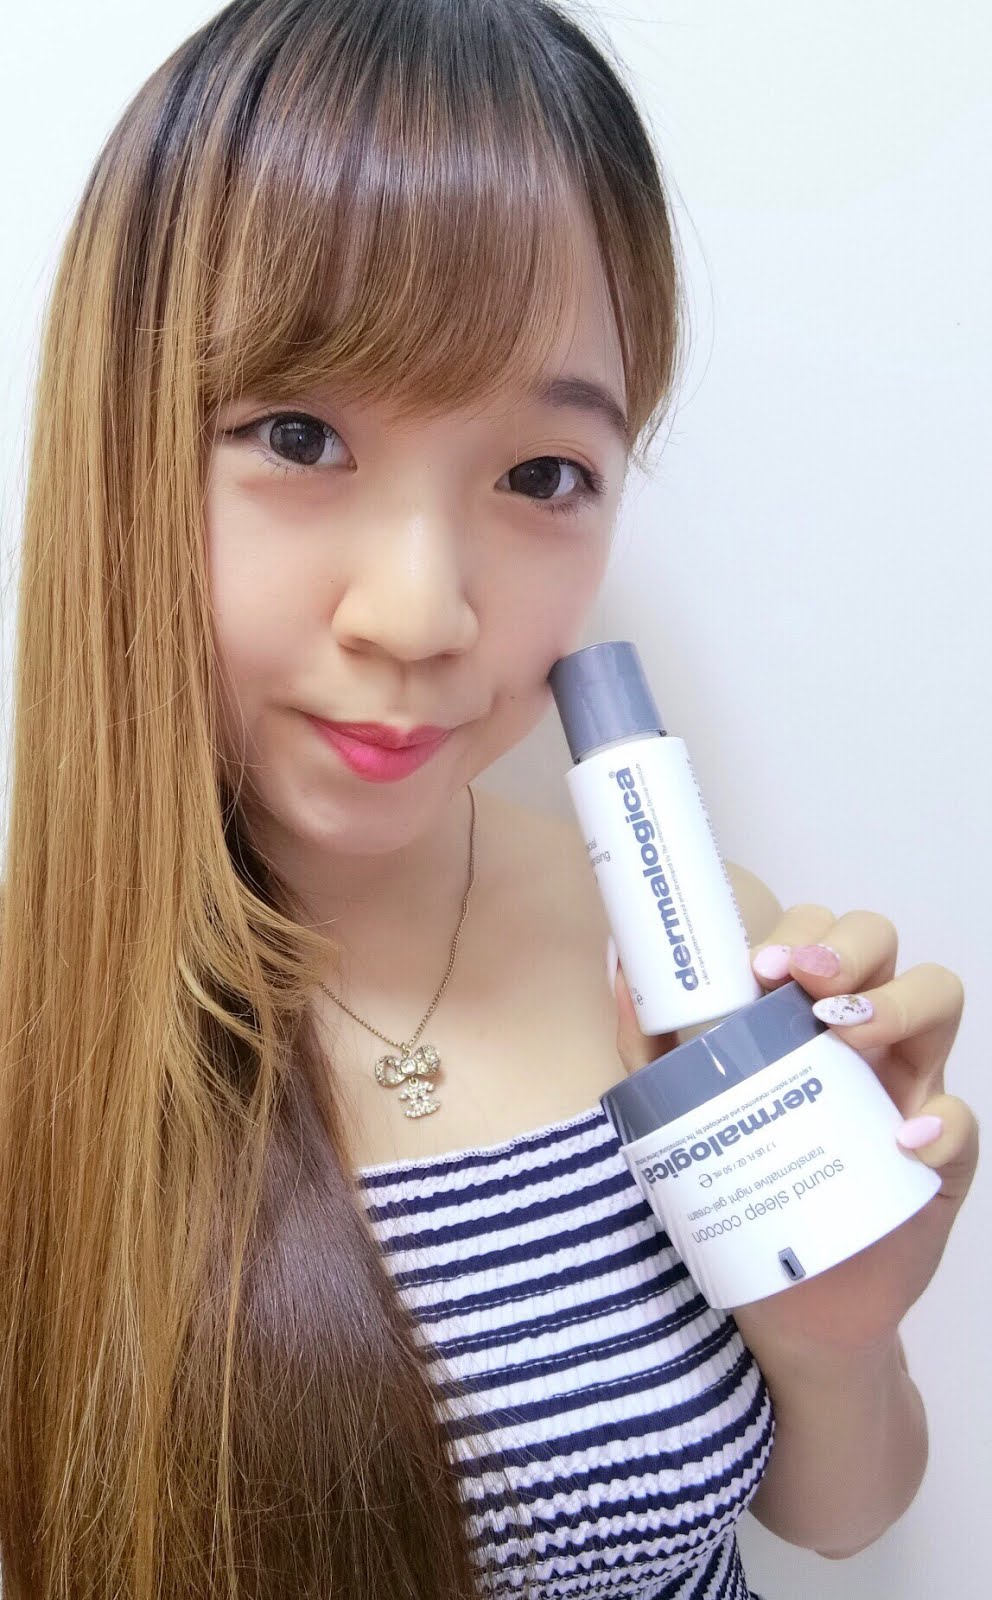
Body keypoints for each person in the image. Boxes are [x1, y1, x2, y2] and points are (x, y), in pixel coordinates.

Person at [0, 1, 977, 1597]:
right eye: (300, 435)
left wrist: (839, 1337)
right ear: (125, 449)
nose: (420, 612)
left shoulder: (681, 965)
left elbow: (842, 1515)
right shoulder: (34, 1050)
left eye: (542, 476)